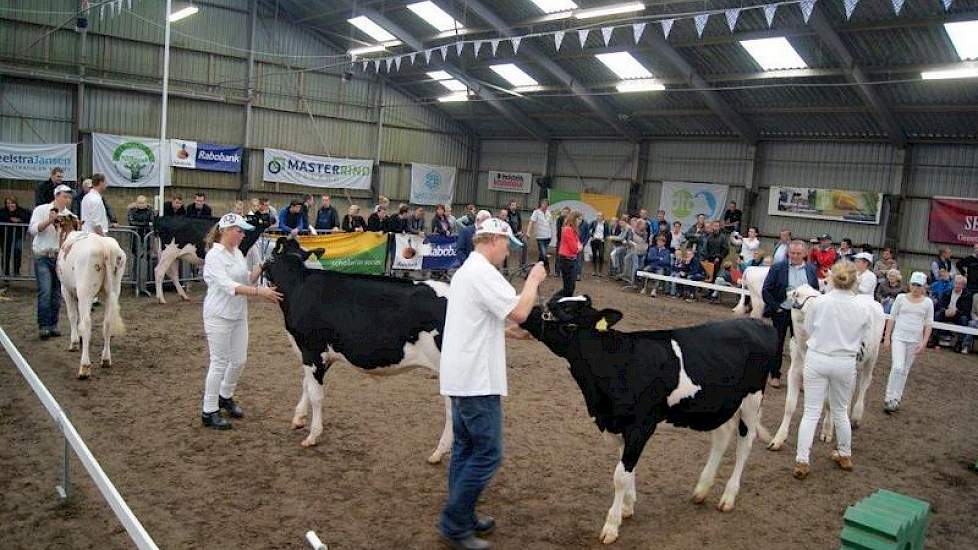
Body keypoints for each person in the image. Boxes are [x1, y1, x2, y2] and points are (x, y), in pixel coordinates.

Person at [438, 217, 545, 550]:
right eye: (507, 246)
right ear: (493, 241)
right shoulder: (483, 273)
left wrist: (506, 332)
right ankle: (455, 524)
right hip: (476, 379)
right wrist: (533, 281)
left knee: (466, 449)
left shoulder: (467, 272)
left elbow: (476, 320)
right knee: (488, 453)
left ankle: (463, 517)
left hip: (462, 375)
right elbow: (521, 311)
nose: (507, 253)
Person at [200, 213, 283, 430]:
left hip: (238, 314)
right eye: (239, 231)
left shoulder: (237, 252)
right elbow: (230, 286)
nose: (243, 235)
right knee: (219, 362)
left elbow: (246, 279)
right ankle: (209, 410)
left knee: (239, 360)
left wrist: (264, 264)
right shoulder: (214, 256)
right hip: (218, 314)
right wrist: (260, 292)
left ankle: (225, 396)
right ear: (226, 231)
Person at [792, 261, 871, 480]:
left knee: (811, 412)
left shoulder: (819, 302)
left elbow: (807, 329)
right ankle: (845, 454)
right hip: (845, 362)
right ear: (855, 280)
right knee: (840, 410)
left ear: (831, 278)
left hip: (818, 358)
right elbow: (865, 335)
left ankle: (802, 460)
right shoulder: (863, 307)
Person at [762, 240, 819, 388]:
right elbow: (766, 290)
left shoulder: (811, 270)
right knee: (777, 343)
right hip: (782, 311)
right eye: (792, 253)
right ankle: (774, 375)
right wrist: (776, 307)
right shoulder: (777, 268)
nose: (794, 256)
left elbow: (815, 292)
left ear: (804, 254)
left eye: (798, 253)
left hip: (802, 316)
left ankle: (801, 378)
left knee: (802, 346)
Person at [28, 185, 75, 339]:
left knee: (56, 293)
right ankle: (44, 326)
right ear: (56, 196)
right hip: (42, 254)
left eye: (69, 197)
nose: (67, 199)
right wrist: (50, 220)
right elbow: (33, 230)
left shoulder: (70, 216)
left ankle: (53, 324)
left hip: (58, 258)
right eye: (65, 196)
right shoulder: (41, 210)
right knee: (45, 291)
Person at [882, 272, 933, 412]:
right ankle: (888, 397)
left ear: (923, 287)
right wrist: (887, 337)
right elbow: (891, 318)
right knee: (897, 367)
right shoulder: (900, 298)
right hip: (898, 337)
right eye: (914, 285)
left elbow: (928, 324)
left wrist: (924, 343)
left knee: (905, 370)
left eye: (919, 285)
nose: (916, 288)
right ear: (909, 284)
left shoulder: (928, 303)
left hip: (915, 340)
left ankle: (896, 398)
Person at [927, 275, 972, 350]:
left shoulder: (967, 295)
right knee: (938, 314)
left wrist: (956, 312)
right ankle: (934, 339)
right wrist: (945, 310)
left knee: (964, 319)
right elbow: (940, 305)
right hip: (946, 313)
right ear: (953, 283)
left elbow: (966, 311)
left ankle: (959, 343)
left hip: (958, 315)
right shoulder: (947, 292)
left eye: (960, 284)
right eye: (956, 283)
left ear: (963, 286)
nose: (957, 285)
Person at [1, 196, 30, 276]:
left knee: (17, 252)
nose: (10, 205)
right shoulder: (3, 211)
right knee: (6, 254)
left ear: (16, 203)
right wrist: (10, 219)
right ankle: (5, 273)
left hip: (18, 236)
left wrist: (19, 220)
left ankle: (16, 271)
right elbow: (2, 217)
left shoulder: (21, 211)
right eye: (8, 203)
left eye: (12, 203)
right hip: (5, 236)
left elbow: (27, 217)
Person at [557, 211, 583, 297]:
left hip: (571, 260)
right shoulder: (568, 230)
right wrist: (578, 247)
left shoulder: (573, 230)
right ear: (574, 219)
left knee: (570, 286)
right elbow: (574, 248)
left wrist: (578, 247)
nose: (580, 221)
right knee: (569, 286)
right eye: (579, 219)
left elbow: (578, 243)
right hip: (567, 260)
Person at [527, 199, 553, 274]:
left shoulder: (548, 213)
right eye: (544, 204)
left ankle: (537, 268)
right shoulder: (536, 212)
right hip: (540, 236)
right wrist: (528, 232)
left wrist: (552, 235)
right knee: (544, 253)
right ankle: (547, 266)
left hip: (548, 236)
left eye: (547, 204)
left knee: (542, 255)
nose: (545, 206)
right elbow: (531, 222)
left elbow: (550, 224)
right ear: (541, 204)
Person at [622, 217, 648, 289]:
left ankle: (637, 281)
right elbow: (629, 240)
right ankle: (632, 282)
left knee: (640, 267)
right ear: (639, 225)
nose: (644, 226)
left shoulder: (645, 233)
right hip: (634, 251)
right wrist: (633, 244)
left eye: (644, 225)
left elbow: (644, 241)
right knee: (635, 266)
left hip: (642, 251)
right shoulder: (632, 231)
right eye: (643, 224)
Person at [505, 200, 526, 268]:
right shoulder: (507, 213)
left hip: (517, 234)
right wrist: (515, 232)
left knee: (524, 244)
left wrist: (520, 231)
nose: (514, 207)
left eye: (515, 205)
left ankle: (522, 265)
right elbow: (509, 224)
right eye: (512, 205)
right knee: (505, 249)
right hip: (509, 235)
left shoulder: (518, 213)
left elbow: (520, 223)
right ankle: (505, 267)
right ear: (509, 206)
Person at [588, 212, 609, 277]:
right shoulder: (593, 222)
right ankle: (594, 270)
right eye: (598, 216)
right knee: (594, 255)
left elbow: (607, 233)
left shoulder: (605, 224)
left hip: (601, 241)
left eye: (600, 216)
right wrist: (592, 236)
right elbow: (588, 230)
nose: (599, 217)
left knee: (601, 255)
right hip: (594, 240)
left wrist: (604, 238)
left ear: (603, 217)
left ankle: (600, 271)